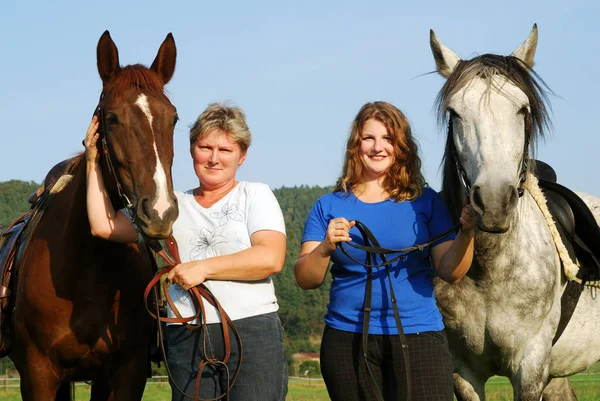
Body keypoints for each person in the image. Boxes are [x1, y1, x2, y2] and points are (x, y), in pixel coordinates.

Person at [84, 103, 288, 401]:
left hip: (252, 329)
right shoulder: (170, 205)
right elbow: (103, 226)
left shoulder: (255, 194)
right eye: (205, 147)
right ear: (192, 149)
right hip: (186, 334)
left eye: (225, 150)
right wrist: (92, 161)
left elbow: (270, 258)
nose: (214, 158)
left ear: (242, 156)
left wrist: (202, 268)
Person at [294, 101, 476, 401]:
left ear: (401, 146)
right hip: (346, 339)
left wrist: (467, 232)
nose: (378, 147)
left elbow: (451, 272)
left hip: (419, 337)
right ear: (356, 145)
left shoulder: (426, 201)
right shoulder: (327, 205)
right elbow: (306, 279)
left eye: (388, 139)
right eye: (369, 138)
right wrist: (325, 247)